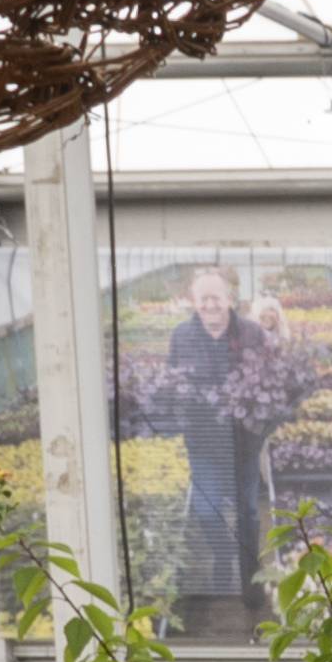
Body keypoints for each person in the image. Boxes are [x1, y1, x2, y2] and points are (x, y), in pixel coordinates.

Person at [134, 262, 299, 639]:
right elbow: (171, 383)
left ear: (229, 299)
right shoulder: (182, 336)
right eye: (202, 298)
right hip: (204, 443)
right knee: (207, 510)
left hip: (243, 444)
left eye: (216, 297)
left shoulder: (253, 333)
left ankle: (249, 579)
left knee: (246, 512)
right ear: (193, 302)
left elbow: (276, 379)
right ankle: (224, 550)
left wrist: (265, 416)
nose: (210, 304)